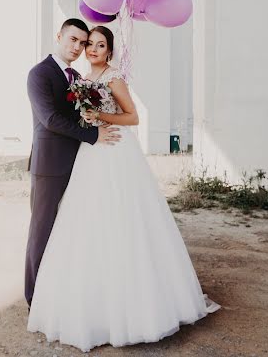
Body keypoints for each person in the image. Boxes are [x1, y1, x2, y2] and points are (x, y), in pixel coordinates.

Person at [27, 25, 220, 352]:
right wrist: (90, 123)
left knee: (122, 218)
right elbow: (53, 117)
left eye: (98, 45)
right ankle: (54, 295)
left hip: (113, 150)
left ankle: (132, 303)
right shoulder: (74, 78)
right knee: (77, 223)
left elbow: (132, 117)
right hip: (86, 154)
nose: (90, 49)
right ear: (64, 40)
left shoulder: (113, 78)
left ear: (110, 51)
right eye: (87, 43)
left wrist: (99, 116)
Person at [25, 19, 121, 310]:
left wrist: (96, 120)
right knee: (42, 230)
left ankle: (59, 291)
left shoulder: (77, 77)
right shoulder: (39, 74)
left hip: (79, 164)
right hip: (50, 166)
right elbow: (50, 119)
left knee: (69, 230)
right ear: (59, 36)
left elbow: (81, 114)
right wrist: (93, 134)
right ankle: (34, 298)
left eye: (82, 42)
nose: (78, 47)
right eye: (73, 40)